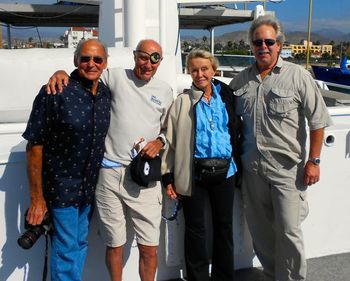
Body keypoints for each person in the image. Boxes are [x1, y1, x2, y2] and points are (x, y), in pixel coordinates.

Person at [46, 39, 173, 281]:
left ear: (160, 61)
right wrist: (61, 72)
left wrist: (160, 142)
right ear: (135, 56)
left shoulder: (165, 91)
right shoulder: (113, 77)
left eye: (155, 58)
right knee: (114, 244)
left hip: (144, 177)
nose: (148, 64)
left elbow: (169, 130)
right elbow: (86, 77)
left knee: (149, 247)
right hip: (109, 176)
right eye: (144, 57)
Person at [229, 15, 333, 281]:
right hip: (252, 170)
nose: (263, 46)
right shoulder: (240, 81)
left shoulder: (297, 76)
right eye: (257, 42)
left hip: (287, 171)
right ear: (251, 46)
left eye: (269, 41)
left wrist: (314, 161)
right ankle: (274, 276)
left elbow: (318, 120)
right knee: (261, 232)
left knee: (289, 231)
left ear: (279, 44)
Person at [23, 38, 110, 281]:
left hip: (88, 190)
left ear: (105, 63)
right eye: (85, 58)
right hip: (61, 189)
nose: (91, 64)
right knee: (66, 252)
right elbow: (34, 146)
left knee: (79, 245)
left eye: (97, 59)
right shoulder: (55, 91)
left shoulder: (105, 93)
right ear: (75, 61)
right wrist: (37, 199)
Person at [161, 49, 240, 281]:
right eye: (194, 69)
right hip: (194, 174)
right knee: (195, 230)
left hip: (226, 172)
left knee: (224, 228)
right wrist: (168, 177)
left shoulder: (226, 97)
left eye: (204, 69)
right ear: (189, 72)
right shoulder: (182, 102)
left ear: (213, 70)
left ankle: (223, 277)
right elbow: (171, 142)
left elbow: (234, 131)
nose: (200, 74)